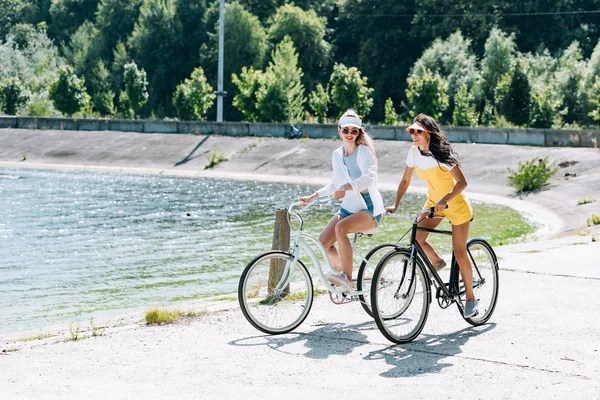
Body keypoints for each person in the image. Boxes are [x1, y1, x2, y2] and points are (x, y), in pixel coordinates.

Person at [386, 113, 478, 318]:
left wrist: (445, 200)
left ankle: (471, 299)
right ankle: (436, 261)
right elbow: (404, 181)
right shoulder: (413, 153)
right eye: (412, 131)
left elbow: (462, 183)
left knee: (460, 252)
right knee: (416, 237)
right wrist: (396, 204)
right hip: (433, 203)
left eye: (419, 131)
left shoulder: (443, 156)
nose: (415, 135)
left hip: (455, 204)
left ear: (429, 133)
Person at [299, 109, 385, 291]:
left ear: (358, 133)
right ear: (339, 130)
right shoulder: (337, 155)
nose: (349, 134)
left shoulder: (364, 152)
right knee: (323, 243)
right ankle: (341, 274)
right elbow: (334, 184)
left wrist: (346, 187)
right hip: (349, 208)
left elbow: (369, 177)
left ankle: (346, 278)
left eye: (354, 131)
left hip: (370, 209)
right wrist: (312, 197)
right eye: (345, 130)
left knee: (341, 228)